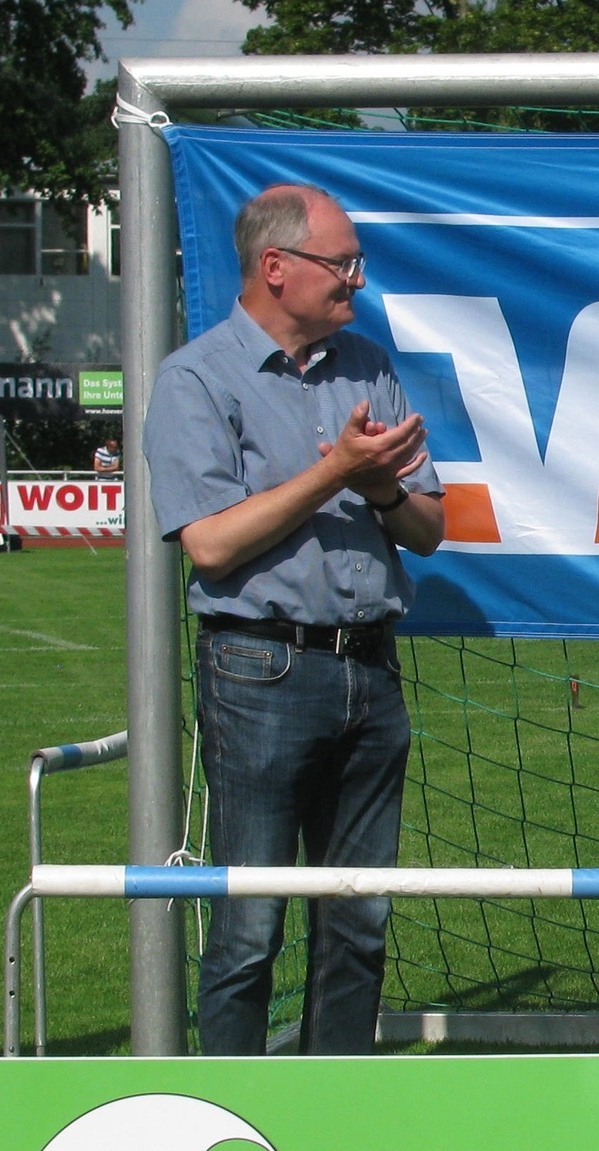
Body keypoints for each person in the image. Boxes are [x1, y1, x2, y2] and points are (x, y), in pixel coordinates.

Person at [144, 183, 445, 1055]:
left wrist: (379, 485)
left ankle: (332, 1104)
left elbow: (427, 529)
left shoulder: (368, 365)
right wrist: (336, 472)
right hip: (259, 672)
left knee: (360, 918)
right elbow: (209, 544)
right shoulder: (196, 378)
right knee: (248, 924)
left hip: (371, 670)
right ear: (275, 267)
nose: (358, 278)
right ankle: (229, 1108)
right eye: (342, 262)